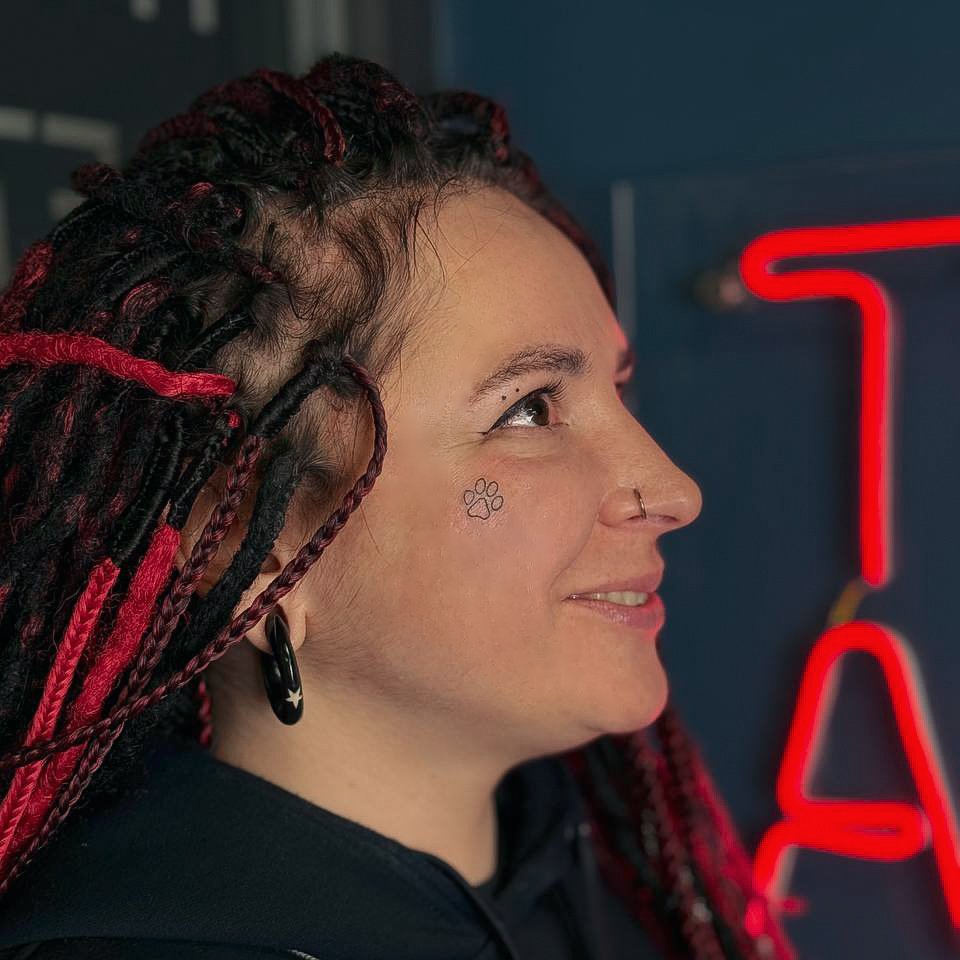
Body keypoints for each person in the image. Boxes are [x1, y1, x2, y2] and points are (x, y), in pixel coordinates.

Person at [0, 53, 795, 959]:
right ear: (254, 551)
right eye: (529, 409)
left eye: (618, 389)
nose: (674, 490)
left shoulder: (607, 883)